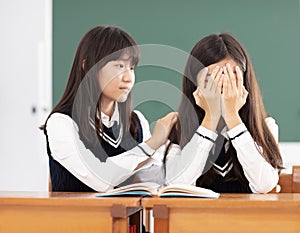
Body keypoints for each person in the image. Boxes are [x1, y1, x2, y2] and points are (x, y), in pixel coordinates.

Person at [40, 25, 177, 192]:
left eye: (132, 68)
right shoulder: (62, 123)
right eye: (119, 66)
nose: (128, 78)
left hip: (126, 218)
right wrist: (152, 143)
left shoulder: (137, 122)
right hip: (76, 218)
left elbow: (154, 180)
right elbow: (101, 179)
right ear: (88, 67)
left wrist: (184, 141)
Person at [163, 33, 283, 193]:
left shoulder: (265, 127)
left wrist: (232, 117)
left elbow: (264, 185)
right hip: (195, 218)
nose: (221, 86)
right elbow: (176, 185)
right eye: (211, 78)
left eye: (231, 76)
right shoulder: (176, 128)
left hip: (248, 218)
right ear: (194, 84)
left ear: (244, 81)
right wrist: (210, 120)